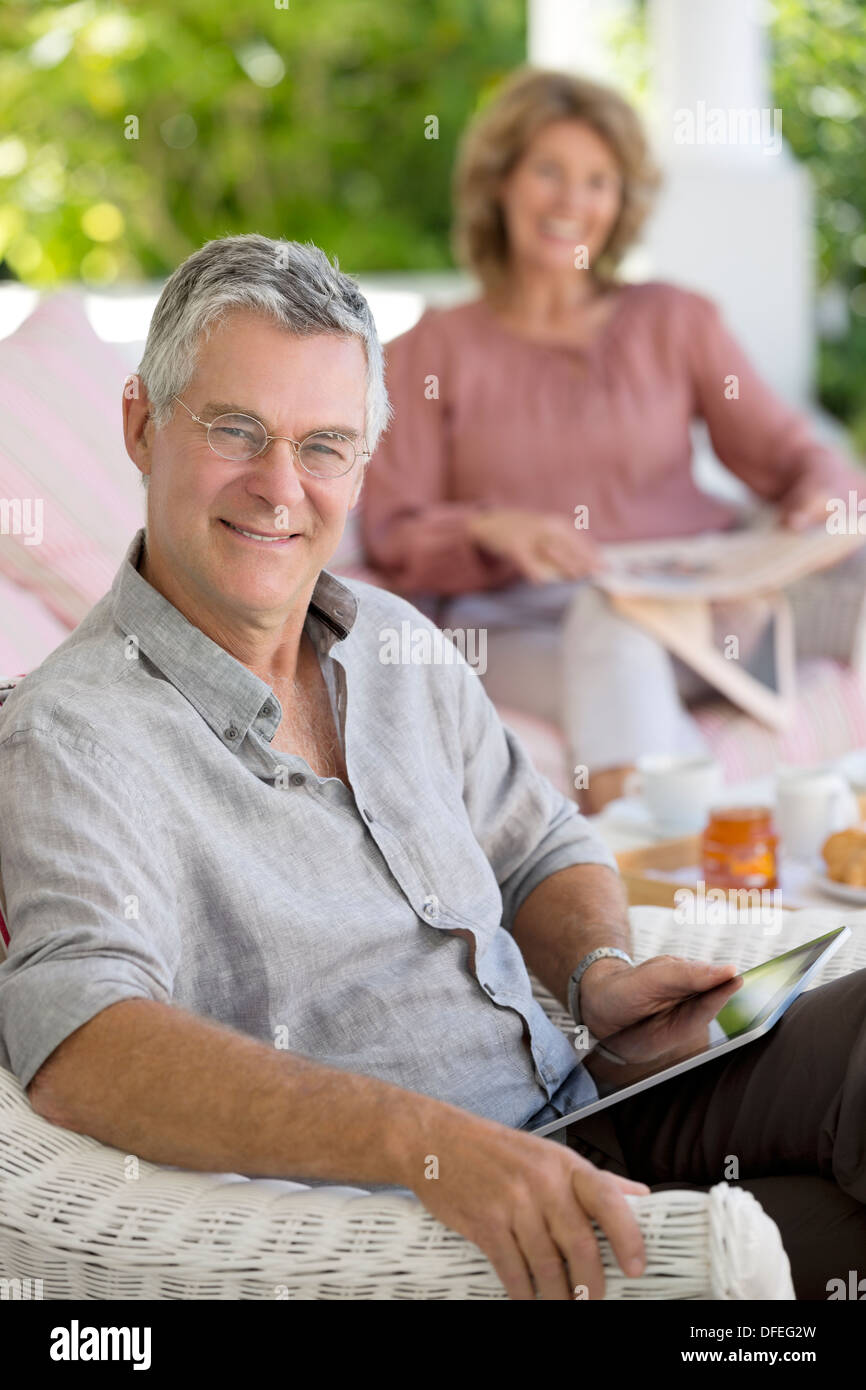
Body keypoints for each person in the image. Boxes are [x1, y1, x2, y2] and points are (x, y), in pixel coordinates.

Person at [0, 235, 863, 1301]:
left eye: (324, 446)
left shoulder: (394, 642)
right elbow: (80, 1040)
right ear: (141, 425)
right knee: (815, 1247)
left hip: (587, 1104)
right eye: (236, 431)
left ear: (360, 462)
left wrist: (597, 973)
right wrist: (424, 1142)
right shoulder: (75, 731)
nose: (280, 487)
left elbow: (538, 841)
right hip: (425, 1221)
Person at [360, 67, 866, 812]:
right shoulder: (430, 350)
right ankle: (674, 858)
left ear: (620, 202)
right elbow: (392, 530)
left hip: (689, 616)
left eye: (599, 180)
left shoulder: (676, 321)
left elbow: (791, 449)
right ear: (499, 183)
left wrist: (825, 490)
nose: (573, 201)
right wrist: (490, 527)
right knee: (609, 622)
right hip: (519, 628)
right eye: (550, 172)